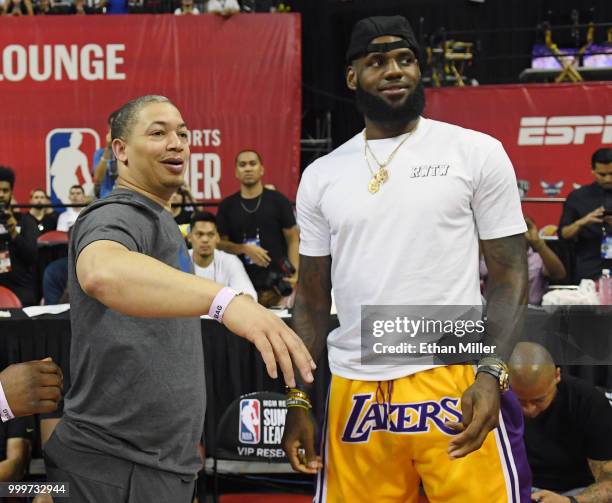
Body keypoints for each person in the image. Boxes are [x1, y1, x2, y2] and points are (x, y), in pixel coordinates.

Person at [281, 16, 531, 502]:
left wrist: (490, 371)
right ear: (352, 77)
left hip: (453, 370)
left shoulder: (475, 152)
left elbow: (509, 273)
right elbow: (310, 297)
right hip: (356, 382)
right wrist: (298, 399)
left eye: (404, 59)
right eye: (377, 61)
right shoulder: (322, 175)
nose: (394, 70)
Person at [43, 95, 315, 503]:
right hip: (117, 470)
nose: (177, 143)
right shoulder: (116, 213)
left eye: (182, 133)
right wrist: (228, 302)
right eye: (158, 133)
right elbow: (102, 272)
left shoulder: (160, 220)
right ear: (120, 150)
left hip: (149, 468)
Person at [509, 342, 612, 502]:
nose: (529, 409)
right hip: (516, 486)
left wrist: (571, 501)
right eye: (520, 401)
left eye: (539, 400)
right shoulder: (496, 401)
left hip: (577, 490)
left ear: (557, 376)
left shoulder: (588, 402)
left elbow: (609, 482)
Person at [216, 149, 299, 307]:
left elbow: (293, 238)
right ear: (236, 172)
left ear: (261, 169)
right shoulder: (227, 206)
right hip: (240, 287)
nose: (248, 168)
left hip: (278, 287)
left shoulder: (279, 201)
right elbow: (220, 245)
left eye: (252, 164)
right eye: (242, 165)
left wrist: (295, 273)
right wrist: (244, 249)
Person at [481, 216, 566, 305]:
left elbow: (559, 274)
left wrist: (538, 243)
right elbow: (474, 272)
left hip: (531, 314)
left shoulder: (538, 258)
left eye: (524, 229)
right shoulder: (493, 256)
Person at [559, 148, 612, 282]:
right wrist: (582, 222)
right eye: (602, 174)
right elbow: (564, 234)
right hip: (589, 269)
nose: (608, 179)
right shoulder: (578, 197)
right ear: (593, 171)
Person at [189, 212, 257, 301]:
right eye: (199, 234)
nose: (205, 240)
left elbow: (249, 296)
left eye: (210, 234)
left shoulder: (230, 261)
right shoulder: (178, 260)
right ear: (189, 237)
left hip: (221, 314)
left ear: (217, 237)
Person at [0, 166, 39, 306]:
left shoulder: (26, 222)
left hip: (21, 293)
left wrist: (14, 233)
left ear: (11, 192)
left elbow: (32, 257)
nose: (1, 195)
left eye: (5, 190)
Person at [49, 131, 94, 204]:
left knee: (79, 199)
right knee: (69, 204)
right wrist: (64, 171)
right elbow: (52, 171)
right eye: (74, 139)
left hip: (72, 180)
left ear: (80, 142)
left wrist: (90, 184)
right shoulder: (62, 152)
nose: (76, 141)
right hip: (60, 180)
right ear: (70, 140)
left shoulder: (81, 156)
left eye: (78, 140)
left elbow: (85, 173)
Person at [93, 111, 119, 199]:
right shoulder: (100, 153)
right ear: (108, 128)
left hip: (127, 200)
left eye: (118, 125)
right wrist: (108, 148)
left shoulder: (131, 150)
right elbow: (98, 178)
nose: (115, 129)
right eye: (112, 126)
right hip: (106, 200)